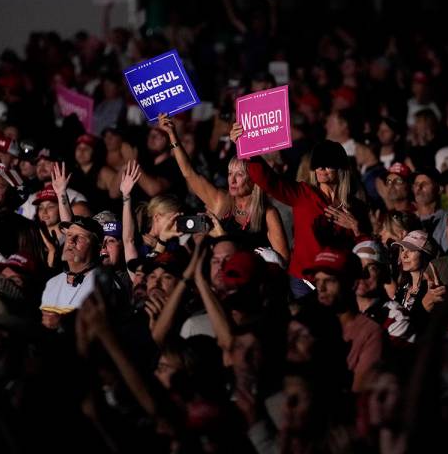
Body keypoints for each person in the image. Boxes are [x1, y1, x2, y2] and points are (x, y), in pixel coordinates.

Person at [230, 130, 370, 298]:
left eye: (328, 163)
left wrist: (356, 228)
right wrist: (246, 147)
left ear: (341, 168)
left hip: (337, 281)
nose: (321, 168)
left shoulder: (356, 207)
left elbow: (366, 251)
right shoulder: (304, 194)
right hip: (303, 280)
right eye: (318, 164)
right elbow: (270, 180)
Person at [158, 114, 289, 261]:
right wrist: (172, 135)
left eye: (239, 174)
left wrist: (223, 237)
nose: (231, 180)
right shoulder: (222, 200)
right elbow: (189, 173)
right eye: (229, 173)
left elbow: (282, 262)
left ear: (254, 180)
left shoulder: (268, 213)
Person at [303, 248, 383, 392]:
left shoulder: (369, 332)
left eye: (330, 281)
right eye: (317, 281)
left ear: (352, 284)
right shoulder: (306, 324)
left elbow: (360, 390)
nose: (321, 288)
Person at [40, 216, 103, 325]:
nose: (70, 241)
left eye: (80, 237)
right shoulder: (52, 283)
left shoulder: (102, 284)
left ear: (97, 248)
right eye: (69, 235)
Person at [392, 230, 437, 310]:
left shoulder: (431, 289)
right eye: (402, 250)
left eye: (411, 250)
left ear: (425, 255)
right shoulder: (403, 287)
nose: (404, 255)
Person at [411, 167, 448, 252]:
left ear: (439, 189)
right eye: (416, 184)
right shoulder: (409, 218)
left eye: (424, 184)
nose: (419, 188)